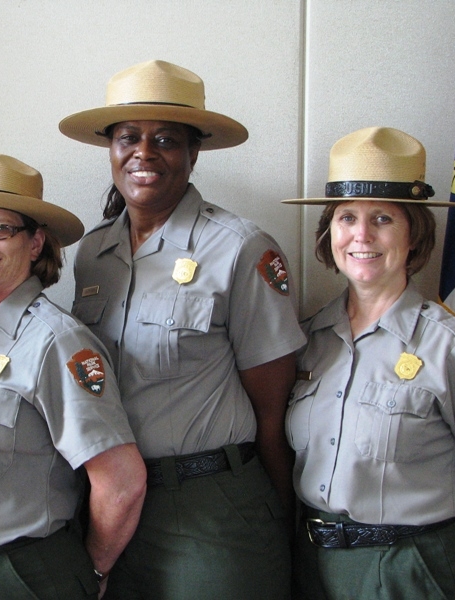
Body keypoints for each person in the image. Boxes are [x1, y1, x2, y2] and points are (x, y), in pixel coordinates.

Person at [60, 60, 306, 599]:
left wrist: (285, 531)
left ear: (194, 154)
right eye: (128, 137)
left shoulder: (241, 247)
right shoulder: (92, 253)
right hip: (113, 506)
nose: (143, 153)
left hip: (212, 511)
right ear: (110, 150)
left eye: (166, 139)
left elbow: (273, 412)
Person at [0, 153, 147, 600]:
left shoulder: (57, 342)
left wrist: (89, 573)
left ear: (35, 244)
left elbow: (122, 482)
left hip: (23, 574)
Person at [282, 126, 455, 598]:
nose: (361, 235)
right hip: (316, 566)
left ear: (414, 233)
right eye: (346, 217)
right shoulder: (308, 340)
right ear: (329, 232)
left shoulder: (453, 348)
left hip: (416, 569)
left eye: (383, 219)